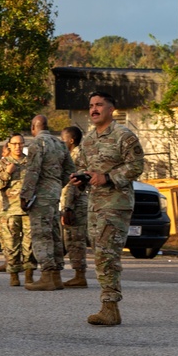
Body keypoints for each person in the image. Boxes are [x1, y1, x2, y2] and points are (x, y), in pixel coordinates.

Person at [72, 91, 144, 326]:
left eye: (99, 105)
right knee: (101, 254)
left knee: (108, 254)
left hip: (116, 204)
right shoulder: (89, 139)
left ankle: (110, 307)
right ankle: (108, 305)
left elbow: (136, 166)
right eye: (91, 105)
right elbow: (83, 166)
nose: (94, 109)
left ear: (111, 109)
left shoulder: (124, 136)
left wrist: (108, 177)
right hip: (95, 204)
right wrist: (81, 178)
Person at [21, 115, 75, 291]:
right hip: (54, 194)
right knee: (53, 233)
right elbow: (70, 170)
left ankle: (47, 275)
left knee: (41, 234)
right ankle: (56, 276)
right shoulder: (60, 143)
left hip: (40, 196)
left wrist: (26, 195)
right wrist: (57, 184)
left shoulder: (37, 143)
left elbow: (33, 171)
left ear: (33, 127)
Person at [0, 134, 36, 286]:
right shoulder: (3, 163)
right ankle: (14, 275)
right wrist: (7, 173)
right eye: (15, 144)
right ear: (9, 145)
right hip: (9, 210)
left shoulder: (30, 162)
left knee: (29, 244)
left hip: (28, 209)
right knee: (11, 244)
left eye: (20, 144)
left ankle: (29, 274)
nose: (18, 147)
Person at [60, 126, 89, 288]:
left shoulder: (76, 157)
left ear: (71, 140)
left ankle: (80, 276)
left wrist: (68, 208)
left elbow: (74, 184)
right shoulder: (72, 155)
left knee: (75, 240)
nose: (61, 143)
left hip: (76, 204)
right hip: (73, 203)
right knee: (70, 240)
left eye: (63, 139)